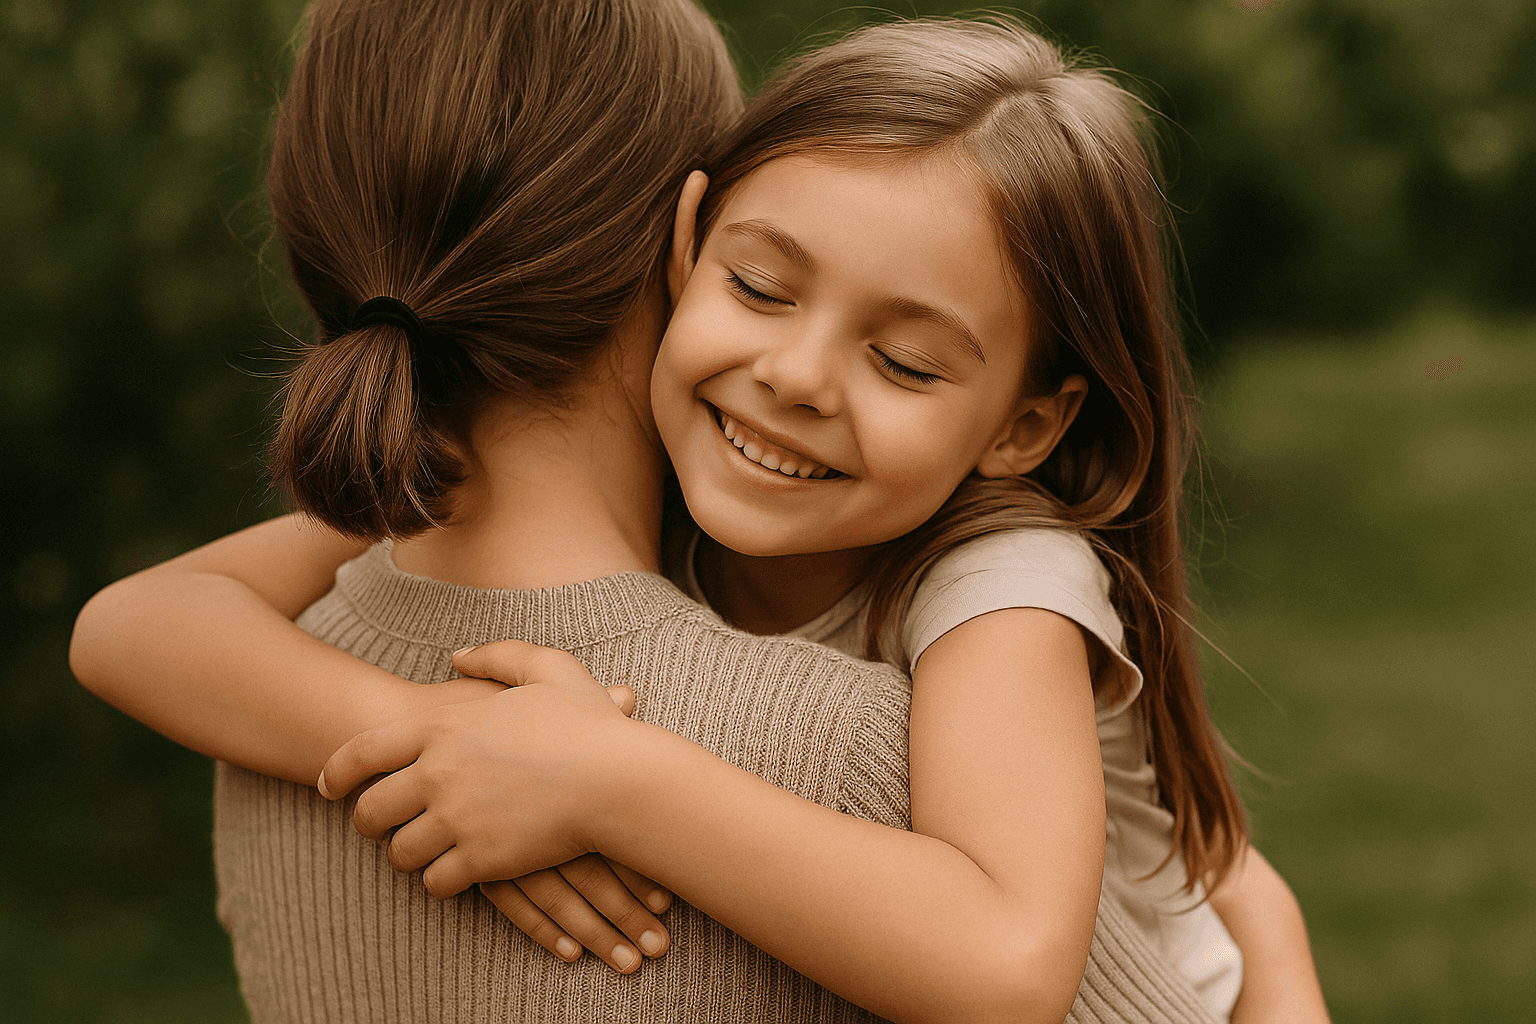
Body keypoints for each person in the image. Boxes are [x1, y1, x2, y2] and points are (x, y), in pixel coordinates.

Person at [68, 3, 1327, 1023]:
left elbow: (1004, 968)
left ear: (1019, 429)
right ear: (682, 244)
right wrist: (426, 728)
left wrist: (615, 778)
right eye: (764, 285)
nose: (795, 376)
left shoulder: (1005, 585)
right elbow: (132, 626)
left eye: (905, 363)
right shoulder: (703, 466)